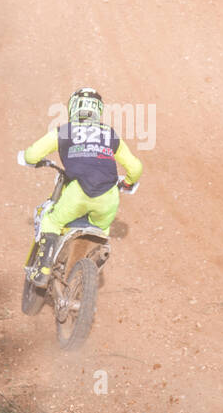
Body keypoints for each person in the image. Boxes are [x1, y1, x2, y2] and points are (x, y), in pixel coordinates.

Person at [17, 88, 143, 287]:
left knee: (51, 221)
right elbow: (135, 167)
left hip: (78, 193)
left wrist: (29, 159)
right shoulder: (109, 134)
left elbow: (32, 155)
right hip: (108, 197)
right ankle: (91, 269)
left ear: (72, 107)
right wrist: (127, 182)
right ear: (98, 110)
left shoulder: (65, 131)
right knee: (101, 231)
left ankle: (43, 270)